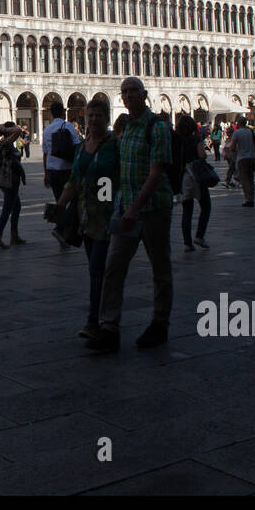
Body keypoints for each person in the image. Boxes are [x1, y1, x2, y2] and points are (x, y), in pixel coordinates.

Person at [87, 77, 175, 353]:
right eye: (124, 91)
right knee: (113, 267)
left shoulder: (157, 127)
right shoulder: (124, 130)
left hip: (153, 209)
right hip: (126, 210)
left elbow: (157, 172)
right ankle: (109, 327)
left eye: (132, 91)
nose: (127, 95)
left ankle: (160, 323)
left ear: (143, 94)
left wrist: (135, 208)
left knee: (160, 268)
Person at [51, 96, 119, 341]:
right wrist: (60, 205)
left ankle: (98, 321)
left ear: (106, 118)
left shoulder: (115, 146)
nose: (92, 119)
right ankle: (101, 318)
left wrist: (115, 201)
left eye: (98, 115)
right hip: (86, 217)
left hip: (108, 215)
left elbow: (121, 178)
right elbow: (74, 181)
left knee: (98, 270)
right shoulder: (81, 148)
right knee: (96, 269)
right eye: (89, 115)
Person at [0, 122, 28, 248]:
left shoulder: (6, 142)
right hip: (9, 180)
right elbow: (17, 130)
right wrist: (6, 128)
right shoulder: (5, 142)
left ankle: (14, 235)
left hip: (10, 179)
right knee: (7, 209)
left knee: (16, 207)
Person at [177, 114, 211, 252]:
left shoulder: (177, 140)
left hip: (183, 177)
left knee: (187, 211)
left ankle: (187, 243)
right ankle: (199, 235)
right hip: (197, 176)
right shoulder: (196, 138)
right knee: (206, 206)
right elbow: (202, 155)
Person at [42, 101, 81, 214]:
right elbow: (77, 145)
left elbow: (45, 153)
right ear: (63, 113)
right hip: (68, 170)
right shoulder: (68, 126)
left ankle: (62, 226)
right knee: (74, 201)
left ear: (51, 114)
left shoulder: (47, 130)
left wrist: (46, 174)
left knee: (59, 201)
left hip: (53, 172)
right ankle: (67, 226)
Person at [232, 117, 255, 207]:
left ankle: (248, 199)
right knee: (251, 179)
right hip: (252, 157)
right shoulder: (252, 131)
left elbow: (232, 147)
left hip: (242, 158)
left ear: (238, 123)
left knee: (245, 180)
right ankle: (252, 197)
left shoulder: (237, 133)